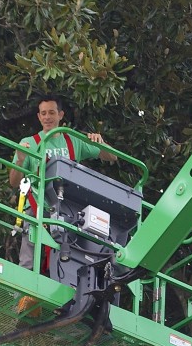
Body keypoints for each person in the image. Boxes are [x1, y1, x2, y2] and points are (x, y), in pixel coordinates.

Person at [9, 95, 117, 271]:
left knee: (67, 259)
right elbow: (14, 182)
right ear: (38, 117)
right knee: (28, 259)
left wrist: (100, 141)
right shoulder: (29, 143)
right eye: (43, 113)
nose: (47, 117)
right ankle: (23, 294)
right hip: (37, 206)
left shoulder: (72, 140)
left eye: (51, 112)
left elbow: (112, 156)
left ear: (60, 115)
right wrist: (20, 161)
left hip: (68, 210)